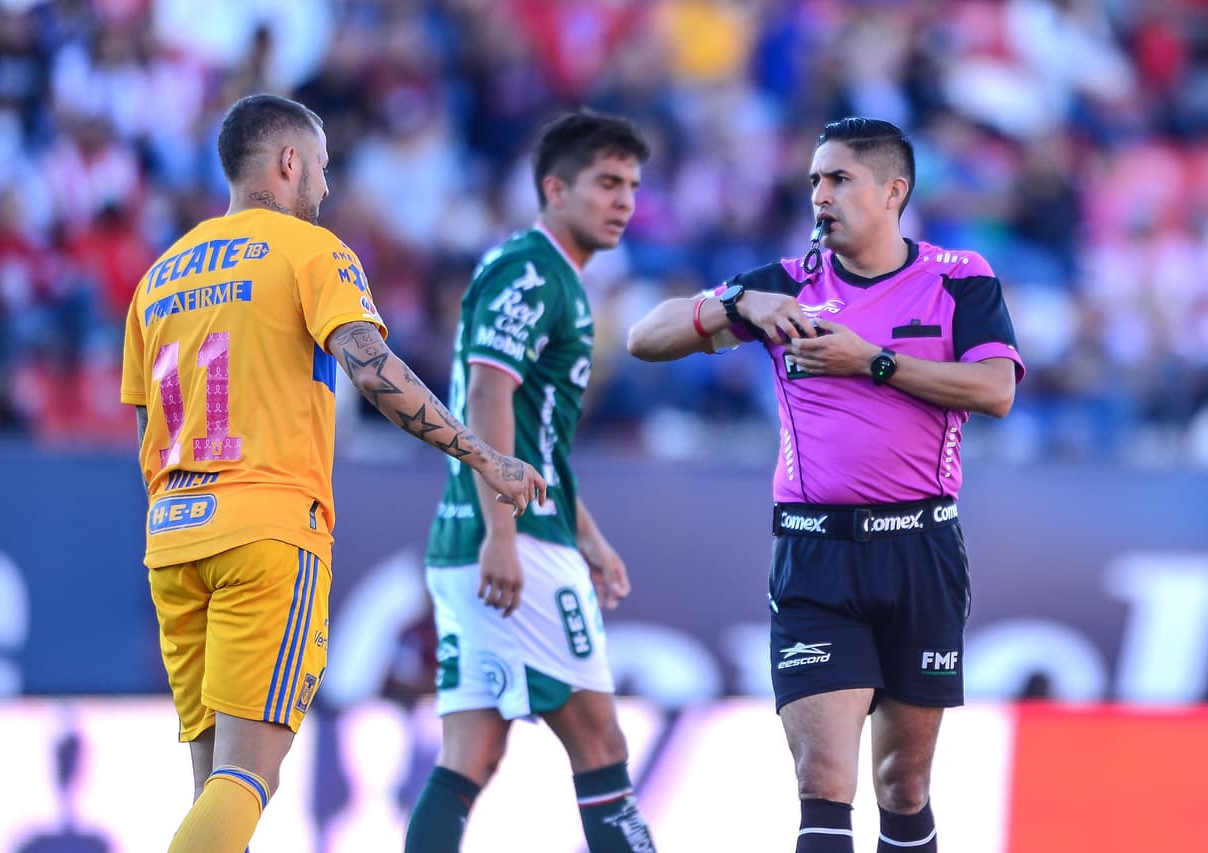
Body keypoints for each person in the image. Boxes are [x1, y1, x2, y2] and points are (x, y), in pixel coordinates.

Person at [119, 93, 546, 853]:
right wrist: (483, 454)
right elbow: (373, 371)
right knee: (249, 777)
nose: (325, 185)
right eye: (320, 165)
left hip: (173, 536)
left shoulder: (158, 278)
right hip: (268, 531)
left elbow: (149, 429)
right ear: (287, 162)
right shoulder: (311, 251)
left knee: (215, 784)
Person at [627, 117, 1025, 852]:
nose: (820, 195)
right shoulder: (784, 288)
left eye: (838, 178)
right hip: (816, 557)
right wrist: (734, 305)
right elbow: (643, 337)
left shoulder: (958, 276)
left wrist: (869, 360)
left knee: (903, 784)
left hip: (921, 550)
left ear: (892, 190)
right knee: (823, 779)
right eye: (814, 180)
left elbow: (995, 390)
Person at [404, 111, 657, 853]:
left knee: (471, 754)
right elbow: (486, 395)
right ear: (554, 188)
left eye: (633, 186)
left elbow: (535, 433)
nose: (623, 201)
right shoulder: (532, 267)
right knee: (602, 743)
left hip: (486, 533)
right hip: (510, 541)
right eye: (606, 182)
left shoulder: (561, 277)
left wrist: (591, 534)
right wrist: (506, 535)